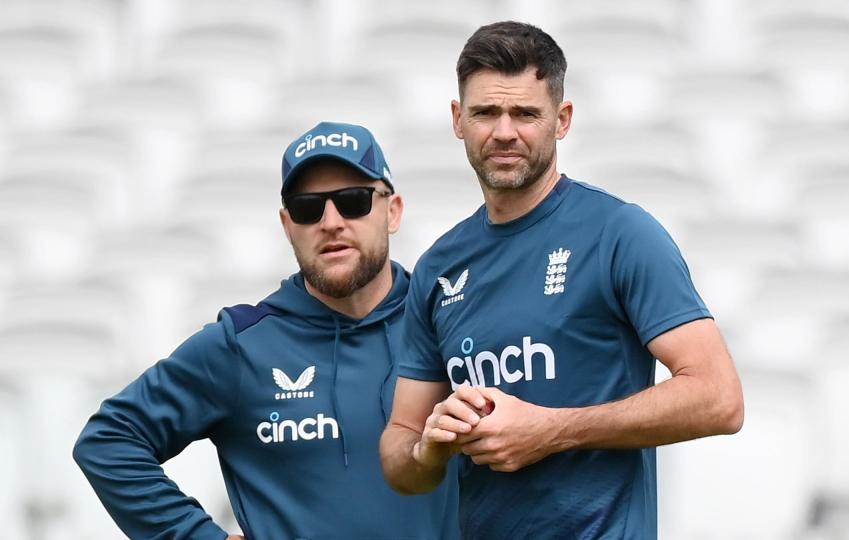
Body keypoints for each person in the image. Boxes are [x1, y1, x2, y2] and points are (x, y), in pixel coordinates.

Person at [379, 21, 744, 539]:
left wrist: (550, 431)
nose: (504, 131)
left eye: (525, 113)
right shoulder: (439, 267)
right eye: (486, 112)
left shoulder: (620, 232)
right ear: (458, 120)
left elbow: (719, 398)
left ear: (562, 119)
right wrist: (430, 449)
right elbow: (400, 451)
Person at [74, 121, 459, 539]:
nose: (331, 222)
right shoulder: (241, 344)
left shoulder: (451, 322)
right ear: (286, 224)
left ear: (393, 211)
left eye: (353, 200)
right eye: (307, 208)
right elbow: (109, 440)